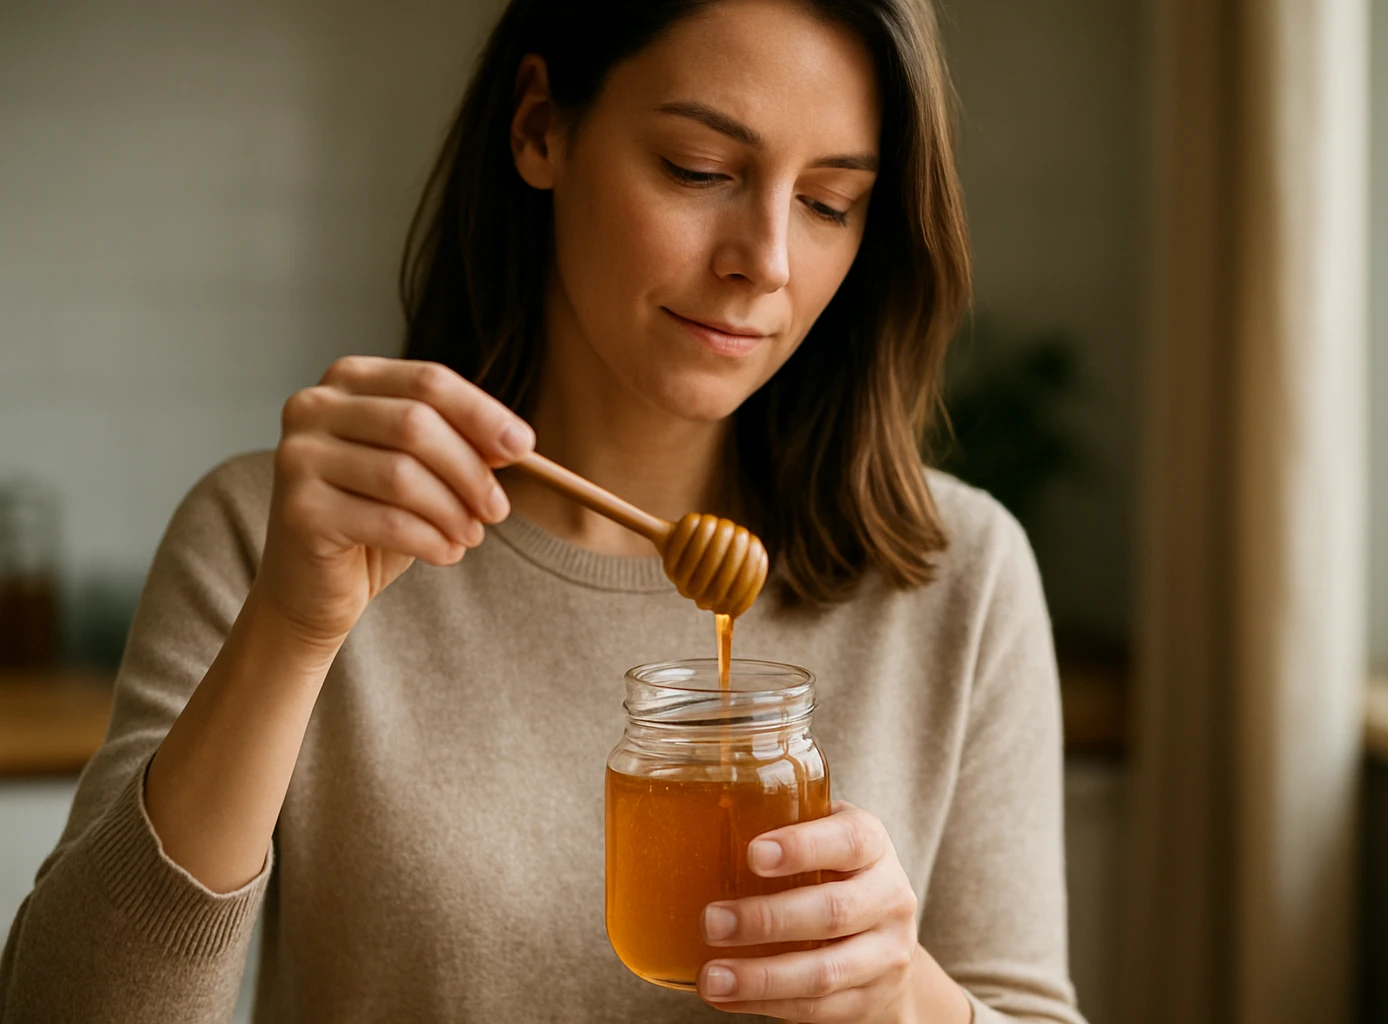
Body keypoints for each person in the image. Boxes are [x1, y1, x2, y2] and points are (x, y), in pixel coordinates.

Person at [0, 1, 1085, 1021]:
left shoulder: (963, 574)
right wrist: (292, 629)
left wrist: (911, 1000)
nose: (766, 260)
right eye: (698, 168)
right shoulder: (271, 539)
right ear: (538, 129)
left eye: (828, 202)